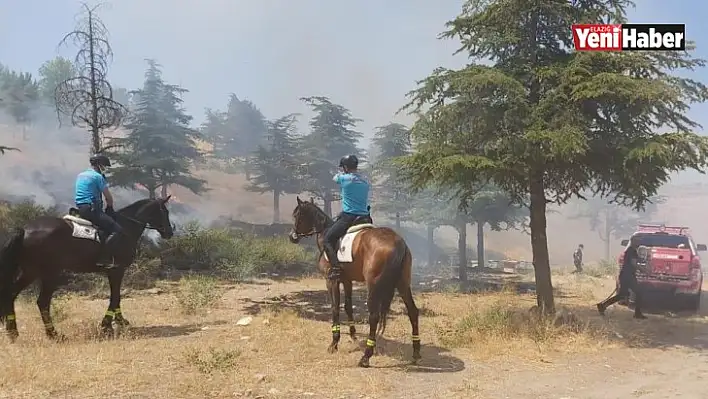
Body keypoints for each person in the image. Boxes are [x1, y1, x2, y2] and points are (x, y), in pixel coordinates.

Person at [323, 154, 371, 281]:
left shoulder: (343, 178)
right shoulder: (365, 180)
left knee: (327, 239)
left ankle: (335, 269)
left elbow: (334, 178)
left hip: (349, 217)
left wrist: (338, 171)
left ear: (345, 167)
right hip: (365, 217)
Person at [74, 154, 123, 262]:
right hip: (92, 209)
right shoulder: (98, 177)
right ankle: (104, 257)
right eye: (104, 166)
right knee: (117, 230)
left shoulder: (81, 175)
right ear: (99, 165)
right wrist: (109, 208)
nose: (104, 168)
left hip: (80, 208)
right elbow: (108, 198)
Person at [596, 236, 647, 319]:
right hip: (628, 276)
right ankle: (637, 314)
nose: (639, 243)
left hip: (626, 275)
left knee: (622, 295)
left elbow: (634, 262)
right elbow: (633, 263)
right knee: (638, 293)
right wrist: (643, 270)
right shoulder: (631, 251)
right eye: (638, 241)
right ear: (633, 241)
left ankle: (602, 306)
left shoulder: (631, 251)